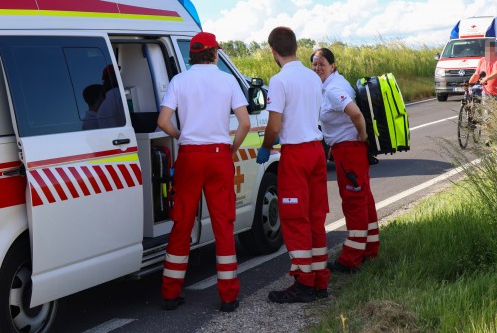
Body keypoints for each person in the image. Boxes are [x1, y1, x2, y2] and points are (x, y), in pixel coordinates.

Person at [157, 32, 250, 313]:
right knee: (223, 225)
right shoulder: (227, 80)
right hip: (219, 156)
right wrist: (232, 148)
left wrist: (182, 135)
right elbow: (244, 122)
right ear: (215, 53)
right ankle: (228, 296)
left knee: (182, 223)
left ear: (193, 54)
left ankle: (170, 293)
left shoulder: (179, 80)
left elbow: (162, 121)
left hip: (189, 156)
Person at [256, 26, 330, 303]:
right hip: (316, 150)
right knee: (314, 217)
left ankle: (304, 283)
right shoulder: (313, 77)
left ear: (273, 51)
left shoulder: (279, 80)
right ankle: (320, 280)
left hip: (296, 154)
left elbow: (274, 126)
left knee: (295, 218)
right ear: (297, 47)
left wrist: (265, 148)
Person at [311, 48, 380, 273]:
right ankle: (370, 250)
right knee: (364, 199)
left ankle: (351, 259)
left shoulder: (333, 89)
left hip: (350, 151)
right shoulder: (335, 83)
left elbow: (356, 113)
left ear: (333, 65)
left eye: (322, 64)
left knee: (354, 202)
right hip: (346, 150)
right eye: (314, 64)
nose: (318, 68)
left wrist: (362, 135)